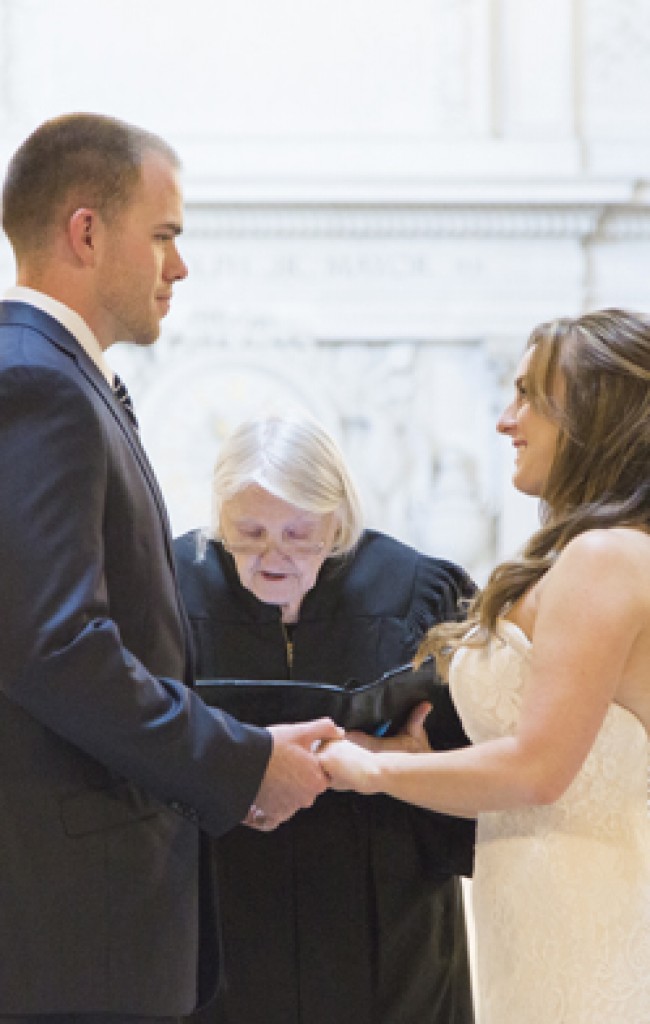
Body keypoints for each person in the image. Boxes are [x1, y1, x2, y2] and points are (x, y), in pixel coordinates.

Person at [0, 113, 342, 1023]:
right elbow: (56, 647)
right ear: (85, 231)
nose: (179, 267)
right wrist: (238, 765)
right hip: (71, 925)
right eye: (164, 237)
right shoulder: (36, 383)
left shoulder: (57, 376)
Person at [319, 308, 650, 1024]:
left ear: (598, 411)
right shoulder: (593, 554)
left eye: (531, 394)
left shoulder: (605, 559)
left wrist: (373, 771)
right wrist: (399, 757)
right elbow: (535, 781)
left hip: (594, 929)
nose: (507, 419)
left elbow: (537, 771)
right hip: (533, 922)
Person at [173, 413, 476, 1024]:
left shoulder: (416, 591)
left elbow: (479, 759)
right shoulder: (171, 585)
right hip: (224, 896)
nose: (272, 555)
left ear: (338, 517)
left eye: (298, 532)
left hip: (381, 903)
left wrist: (400, 759)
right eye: (249, 531)